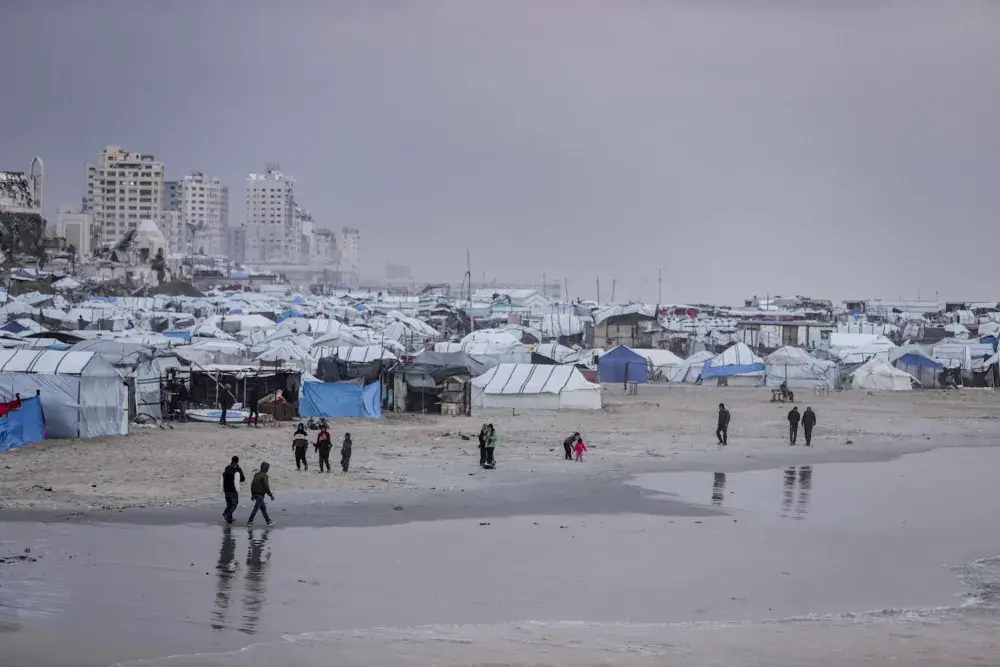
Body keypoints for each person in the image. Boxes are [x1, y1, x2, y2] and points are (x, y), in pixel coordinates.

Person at [247, 462, 275, 527]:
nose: (268, 469)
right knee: (256, 508)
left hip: (255, 494)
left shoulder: (256, 474)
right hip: (260, 495)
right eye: (267, 468)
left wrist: (252, 494)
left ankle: (268, 521)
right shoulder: (265, 476)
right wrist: (270, 495)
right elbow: (266, 486)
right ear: (266, 468)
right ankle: (250, 521)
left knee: (263, 508)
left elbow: (252, 485)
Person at [222, 455, 245, 524]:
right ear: (237, 461)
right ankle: (226, 514)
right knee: (234, 504)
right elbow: (242, 479)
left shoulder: (227, 468)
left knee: (229, 504)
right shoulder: (237, 469)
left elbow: (223, 477)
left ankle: (229, 518)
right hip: (233, 489)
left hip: (226, 489)